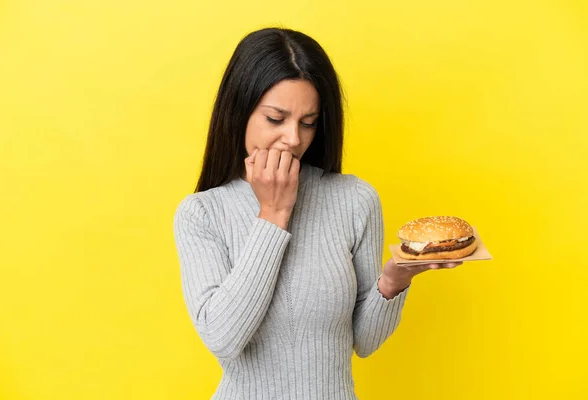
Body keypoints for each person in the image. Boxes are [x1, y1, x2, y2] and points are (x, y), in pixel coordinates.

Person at [173, 27, 462, 400]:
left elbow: (364, 342)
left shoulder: (354, 200)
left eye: (307, 122)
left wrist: (394, 280)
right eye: (276, 119)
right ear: (239, 112)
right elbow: (223, 338)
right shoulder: (202, 214)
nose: (294, 138)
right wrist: (274, 213)